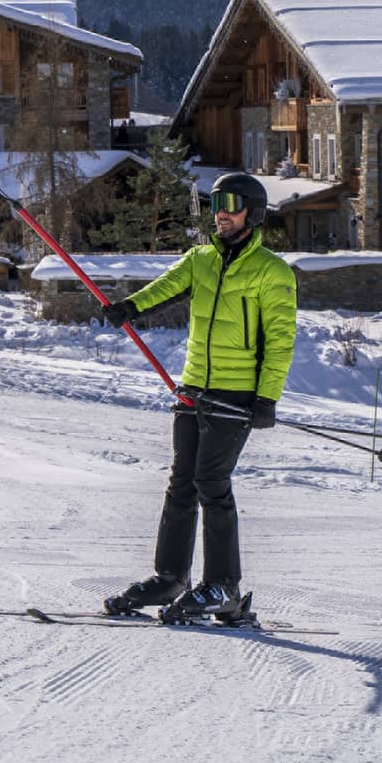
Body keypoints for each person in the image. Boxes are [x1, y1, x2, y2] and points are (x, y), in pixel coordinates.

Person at [101, 171, 297, 622]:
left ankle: (224, 588)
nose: (221, 213)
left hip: (237, 394)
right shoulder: (200, 260)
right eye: (214, 204)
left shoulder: (273, 271)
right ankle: (170, 577)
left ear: (254, 211)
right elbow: (164, 287)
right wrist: (130, 307)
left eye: (229, 203)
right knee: (181, 483)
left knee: (212, 483)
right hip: (193, 388)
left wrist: (266, 398)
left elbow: (281, 340)